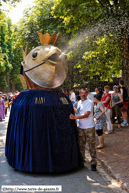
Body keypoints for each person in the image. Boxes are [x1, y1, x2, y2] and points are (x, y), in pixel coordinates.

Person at [69, 88, 97, 171]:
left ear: (87, 93)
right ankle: (82, 162)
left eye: (85, 93)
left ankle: (93, 163)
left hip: (89, 127)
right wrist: (70, 107)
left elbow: (86, 115)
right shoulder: (79, 103)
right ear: (80, 94)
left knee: (91, 146)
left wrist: (75, 117)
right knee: (81, 146)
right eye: (82, 93)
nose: (83, 94)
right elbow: (79, 112)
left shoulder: (90, 102)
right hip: (81, 127)